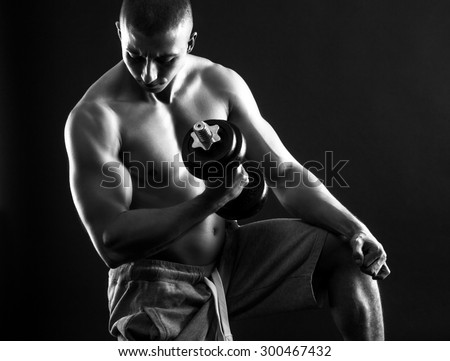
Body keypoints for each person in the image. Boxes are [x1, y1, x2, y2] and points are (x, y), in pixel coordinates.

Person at [64, 0, 390, 341]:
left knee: (346, 256)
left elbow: (285, 174)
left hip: (233, 260)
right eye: (134, 54)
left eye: (164, 59)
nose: (148, 73)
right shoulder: (96, 117)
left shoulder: (219, 84)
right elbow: (111, 241)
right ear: (120, 33)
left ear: (189, 43)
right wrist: (211, 201)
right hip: (155, 287)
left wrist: (355, 229)